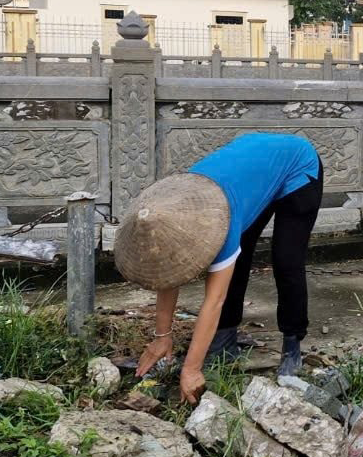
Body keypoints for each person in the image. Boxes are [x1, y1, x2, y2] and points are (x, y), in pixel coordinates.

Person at [116, 134, 323, 402]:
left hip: (297, 166)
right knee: (240, 254)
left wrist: (191, 369)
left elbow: (214, 300)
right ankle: (224, 342)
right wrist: (161, 337)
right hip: (251, 171)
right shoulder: (171, 208)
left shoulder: (221, 220)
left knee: (286, 260)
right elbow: (169, 276)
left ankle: (292, 344)